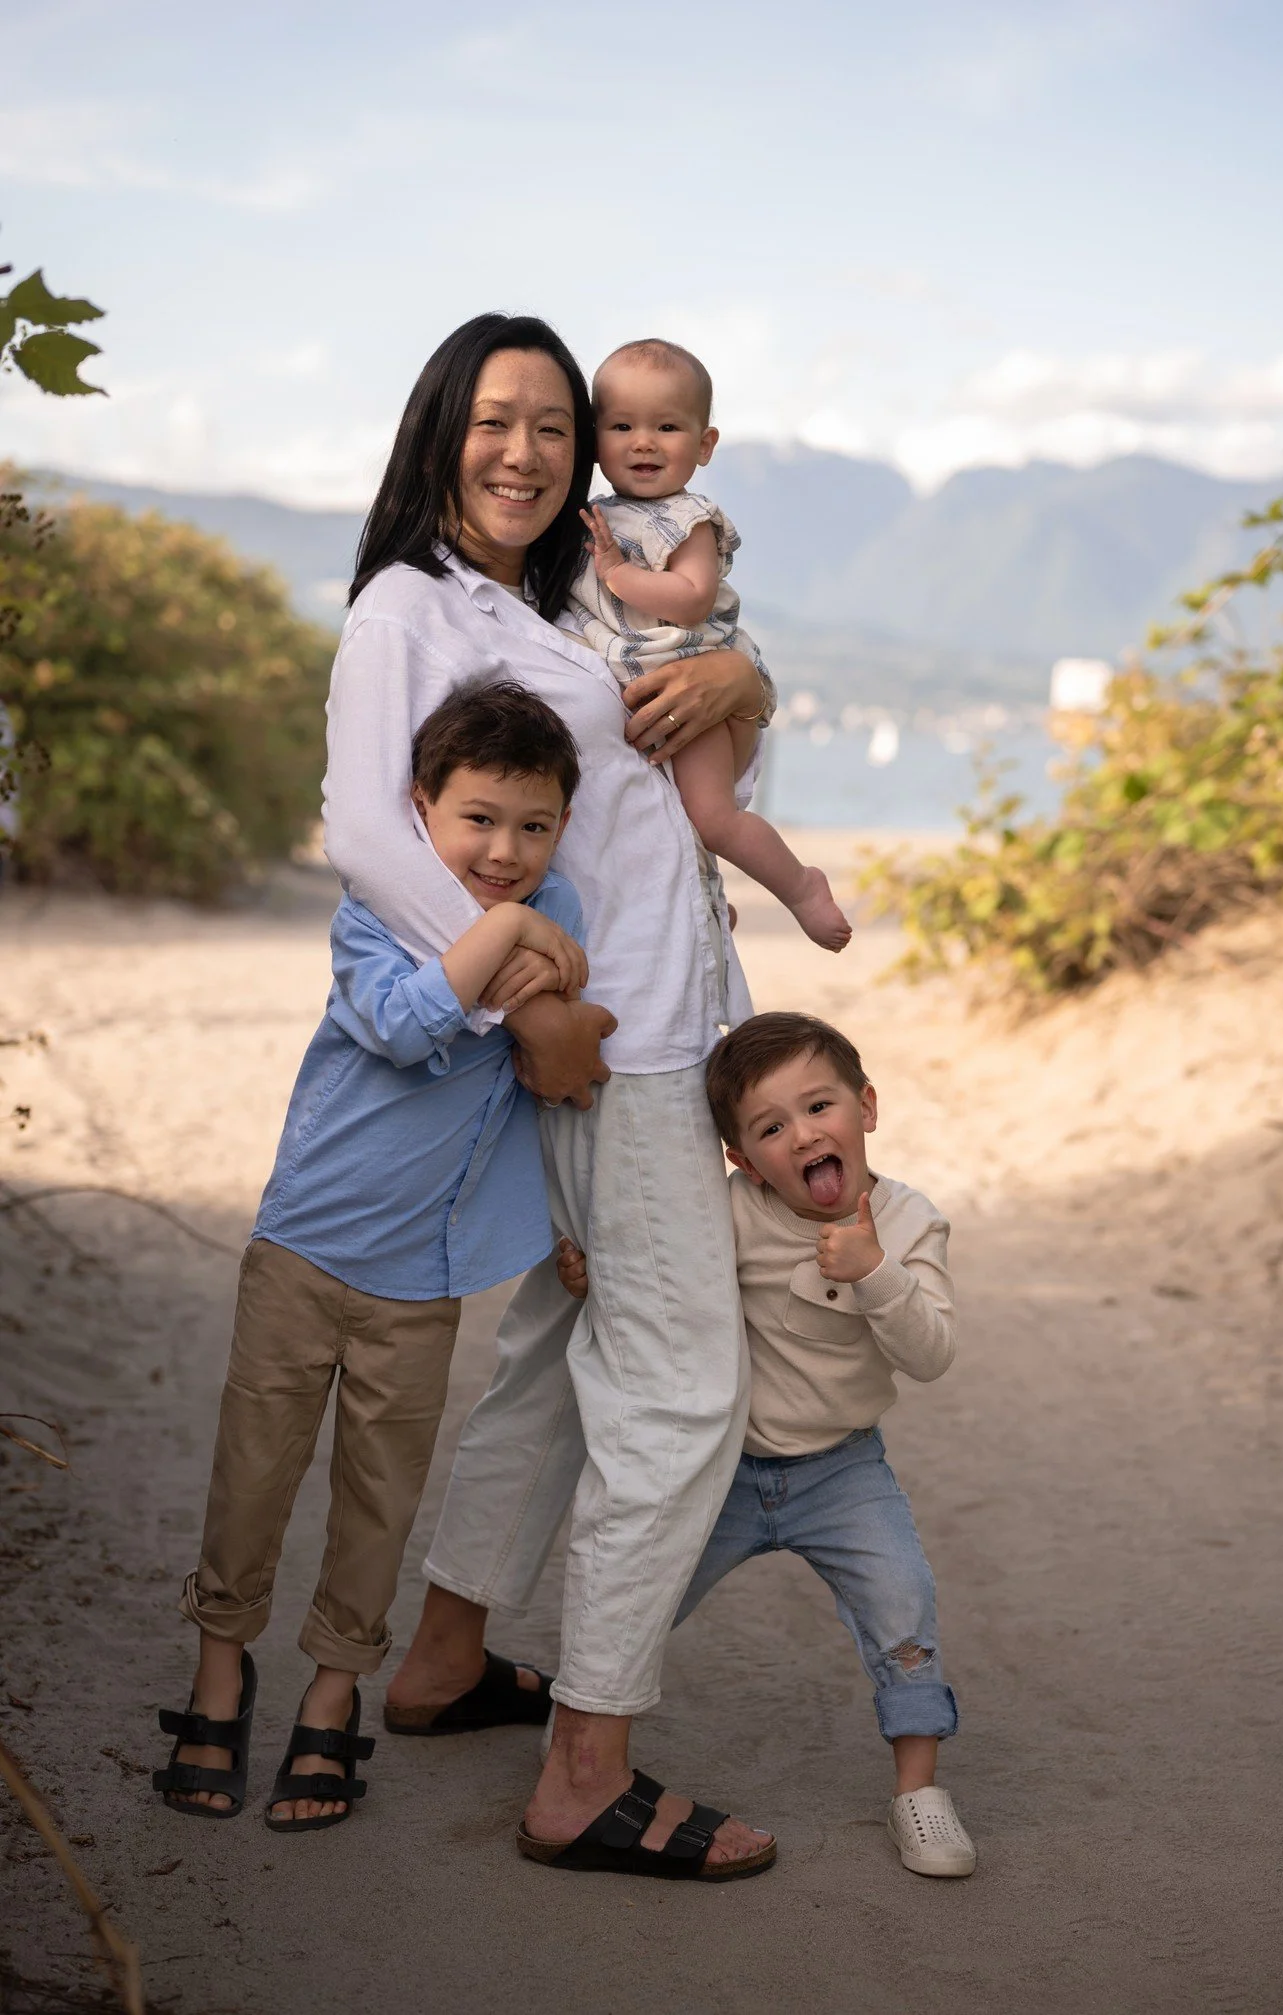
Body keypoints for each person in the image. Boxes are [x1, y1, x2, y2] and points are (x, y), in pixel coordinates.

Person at [327, 313, 776, 1877]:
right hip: (612, 1034)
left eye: (551, 426)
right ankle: (588, 1768)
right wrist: (525, 995)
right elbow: (368, 834)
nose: (522, 451)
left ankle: (448, 1654)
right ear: (438, 428)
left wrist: (742, 667)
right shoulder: (410, 604)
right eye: (490, 421)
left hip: (661, 1012)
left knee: (557, 1347)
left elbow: (663, 734)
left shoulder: (547, 596)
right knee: (676, 1383)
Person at [153, 682, 588, 1833]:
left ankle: (334, 1692)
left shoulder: (563, 913)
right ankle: (219, 1670)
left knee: (377, 1498)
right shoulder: (375, 912)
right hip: (305, 1244)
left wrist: (572, 1221)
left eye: (534, 826)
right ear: (420, 810)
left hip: (423, 1276)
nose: (505, 851)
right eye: (478, 818)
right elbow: (401, 1025)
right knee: (252, 1474)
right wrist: (505, 934)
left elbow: (567, 1041)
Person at [557, 1010, 975, 1877]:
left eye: (819, 1106)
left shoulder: (906, 1221)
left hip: (842, 1467)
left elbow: (931, 1354)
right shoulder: (731, 1214)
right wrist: (596, 1273)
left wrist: (873, 1275)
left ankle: (920, 1792)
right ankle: (578, 1738)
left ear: (865, 1106)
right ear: (744, 1160)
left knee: (903, 1605)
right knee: (636, 1594)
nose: (803, 1134)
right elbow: (659, 1278)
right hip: (724, 1471)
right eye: (770, 1128)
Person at [568, 338, 851, 954]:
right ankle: (708, 901)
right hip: (646, 690)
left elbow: (692, 596)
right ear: (595, 439)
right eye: (622, 426)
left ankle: (801, 886)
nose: (643, 441)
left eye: (666, 426)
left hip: (691, 677)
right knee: (663, 814)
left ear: (704, 444)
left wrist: (619, 575)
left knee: (712, 817)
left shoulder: (686, 518)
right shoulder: (595, 515)